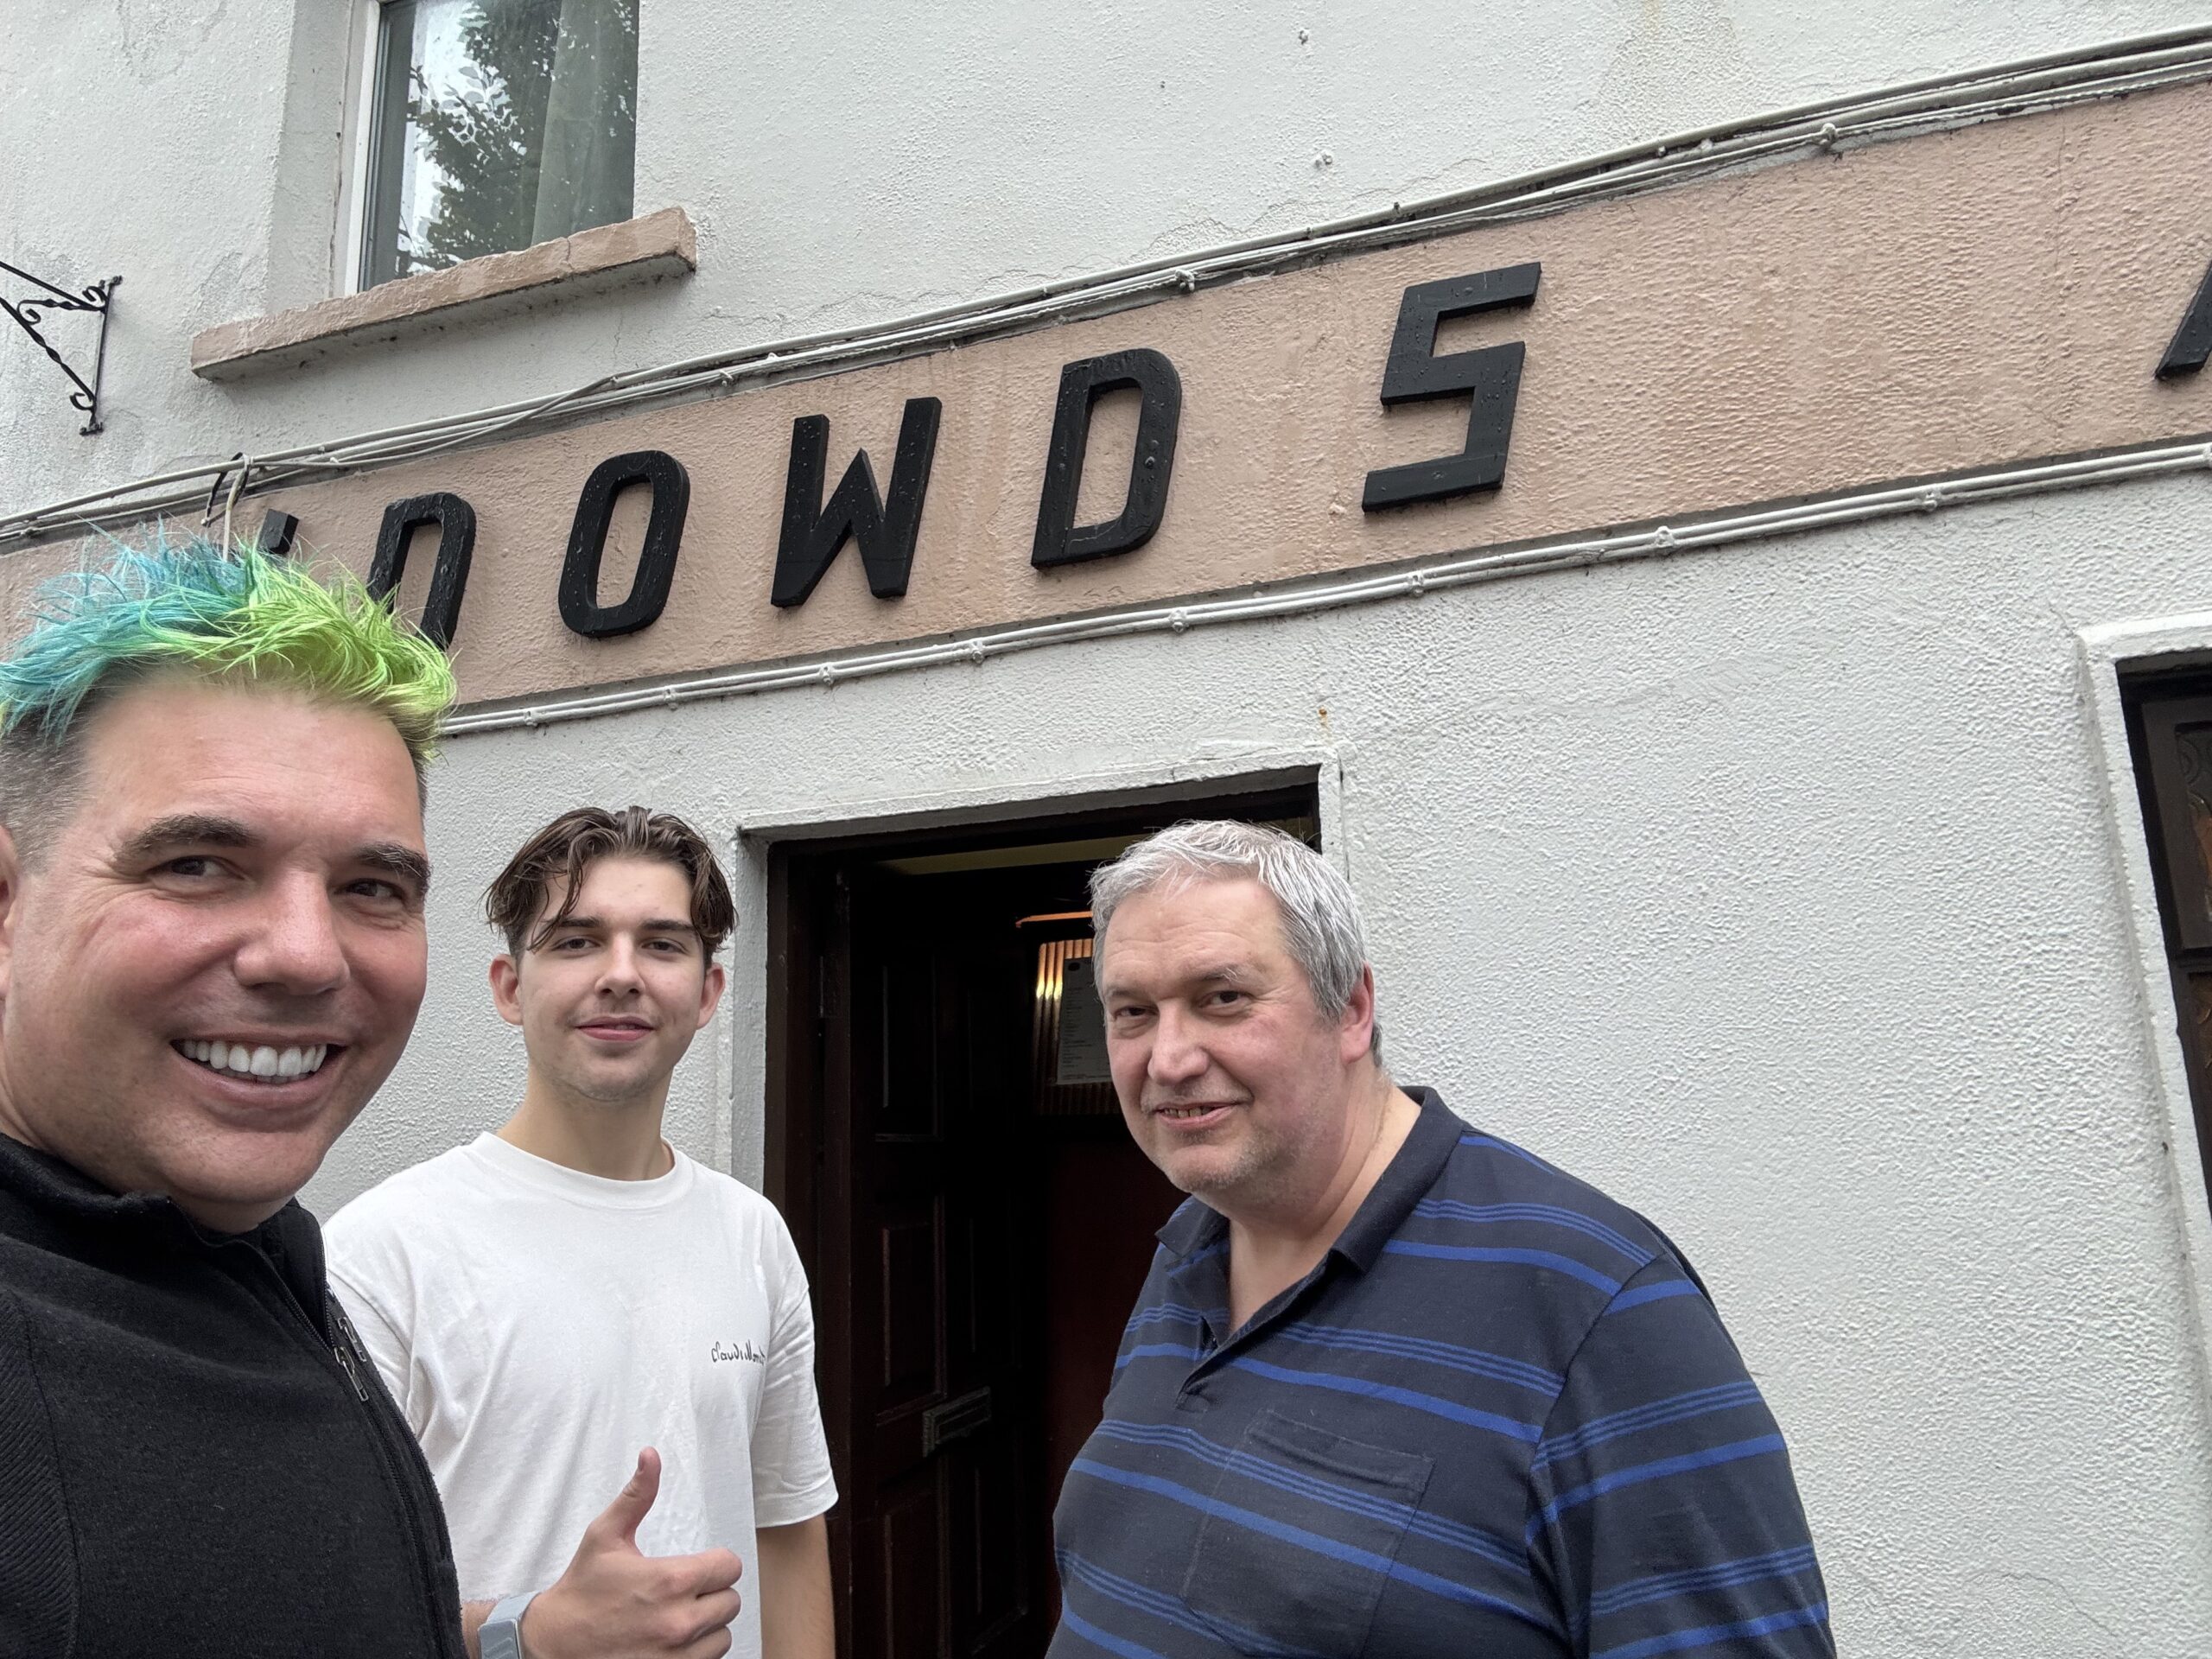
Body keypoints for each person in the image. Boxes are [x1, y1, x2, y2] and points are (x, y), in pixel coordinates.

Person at [0, 539, 754, 1659]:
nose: (307, 955)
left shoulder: (254, 1252)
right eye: (197, 864)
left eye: (371, 888)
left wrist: (516, 1645)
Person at [1051, 820, 1834, 1659]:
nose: (1166, 1058)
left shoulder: (1594, 1303)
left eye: (1223, 998)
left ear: (1350, 1009)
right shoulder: (1187, 1254)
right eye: (1133, 1012)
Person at [325, 806, 837, 1659]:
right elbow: (318, 1602)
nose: (621, 975)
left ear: (708, 994)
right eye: (576, 941)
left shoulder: (753, 1236)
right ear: (509, 987)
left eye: (663, 944)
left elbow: (785, 1528)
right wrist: (526, 1636)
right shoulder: (384, 1254)